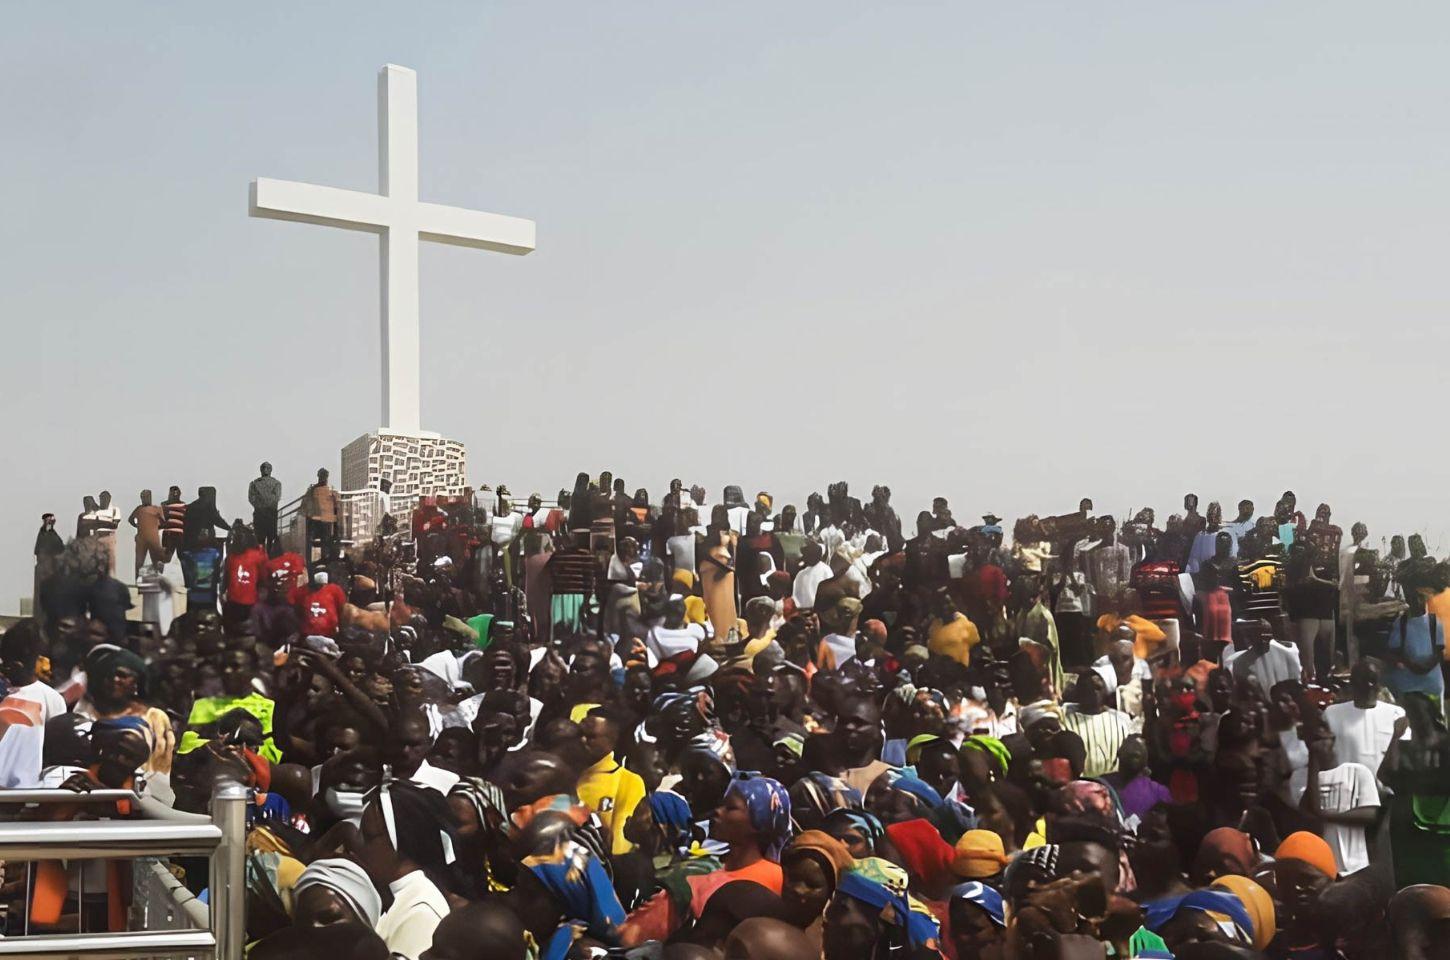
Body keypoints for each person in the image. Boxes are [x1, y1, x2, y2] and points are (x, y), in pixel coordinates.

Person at [303, 467, 342, 566]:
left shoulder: (316, 490)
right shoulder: (319, 491)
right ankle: (326, 557)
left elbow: (306, 506)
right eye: (323, 476)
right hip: (320, 523)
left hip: (320, 523)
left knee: (329, 531)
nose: (324, 478)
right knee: (329, 532)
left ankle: (326, 557)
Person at [250, 462, 283, 556]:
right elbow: (276, 498)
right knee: (270, 540)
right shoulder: (276, 484)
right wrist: (267, 505)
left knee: (260, 541)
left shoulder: (254, 484)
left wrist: (260, 505)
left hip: (260, 515)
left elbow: (252, 499)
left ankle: (261, 561)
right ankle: (269, 562)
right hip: (270, 515)